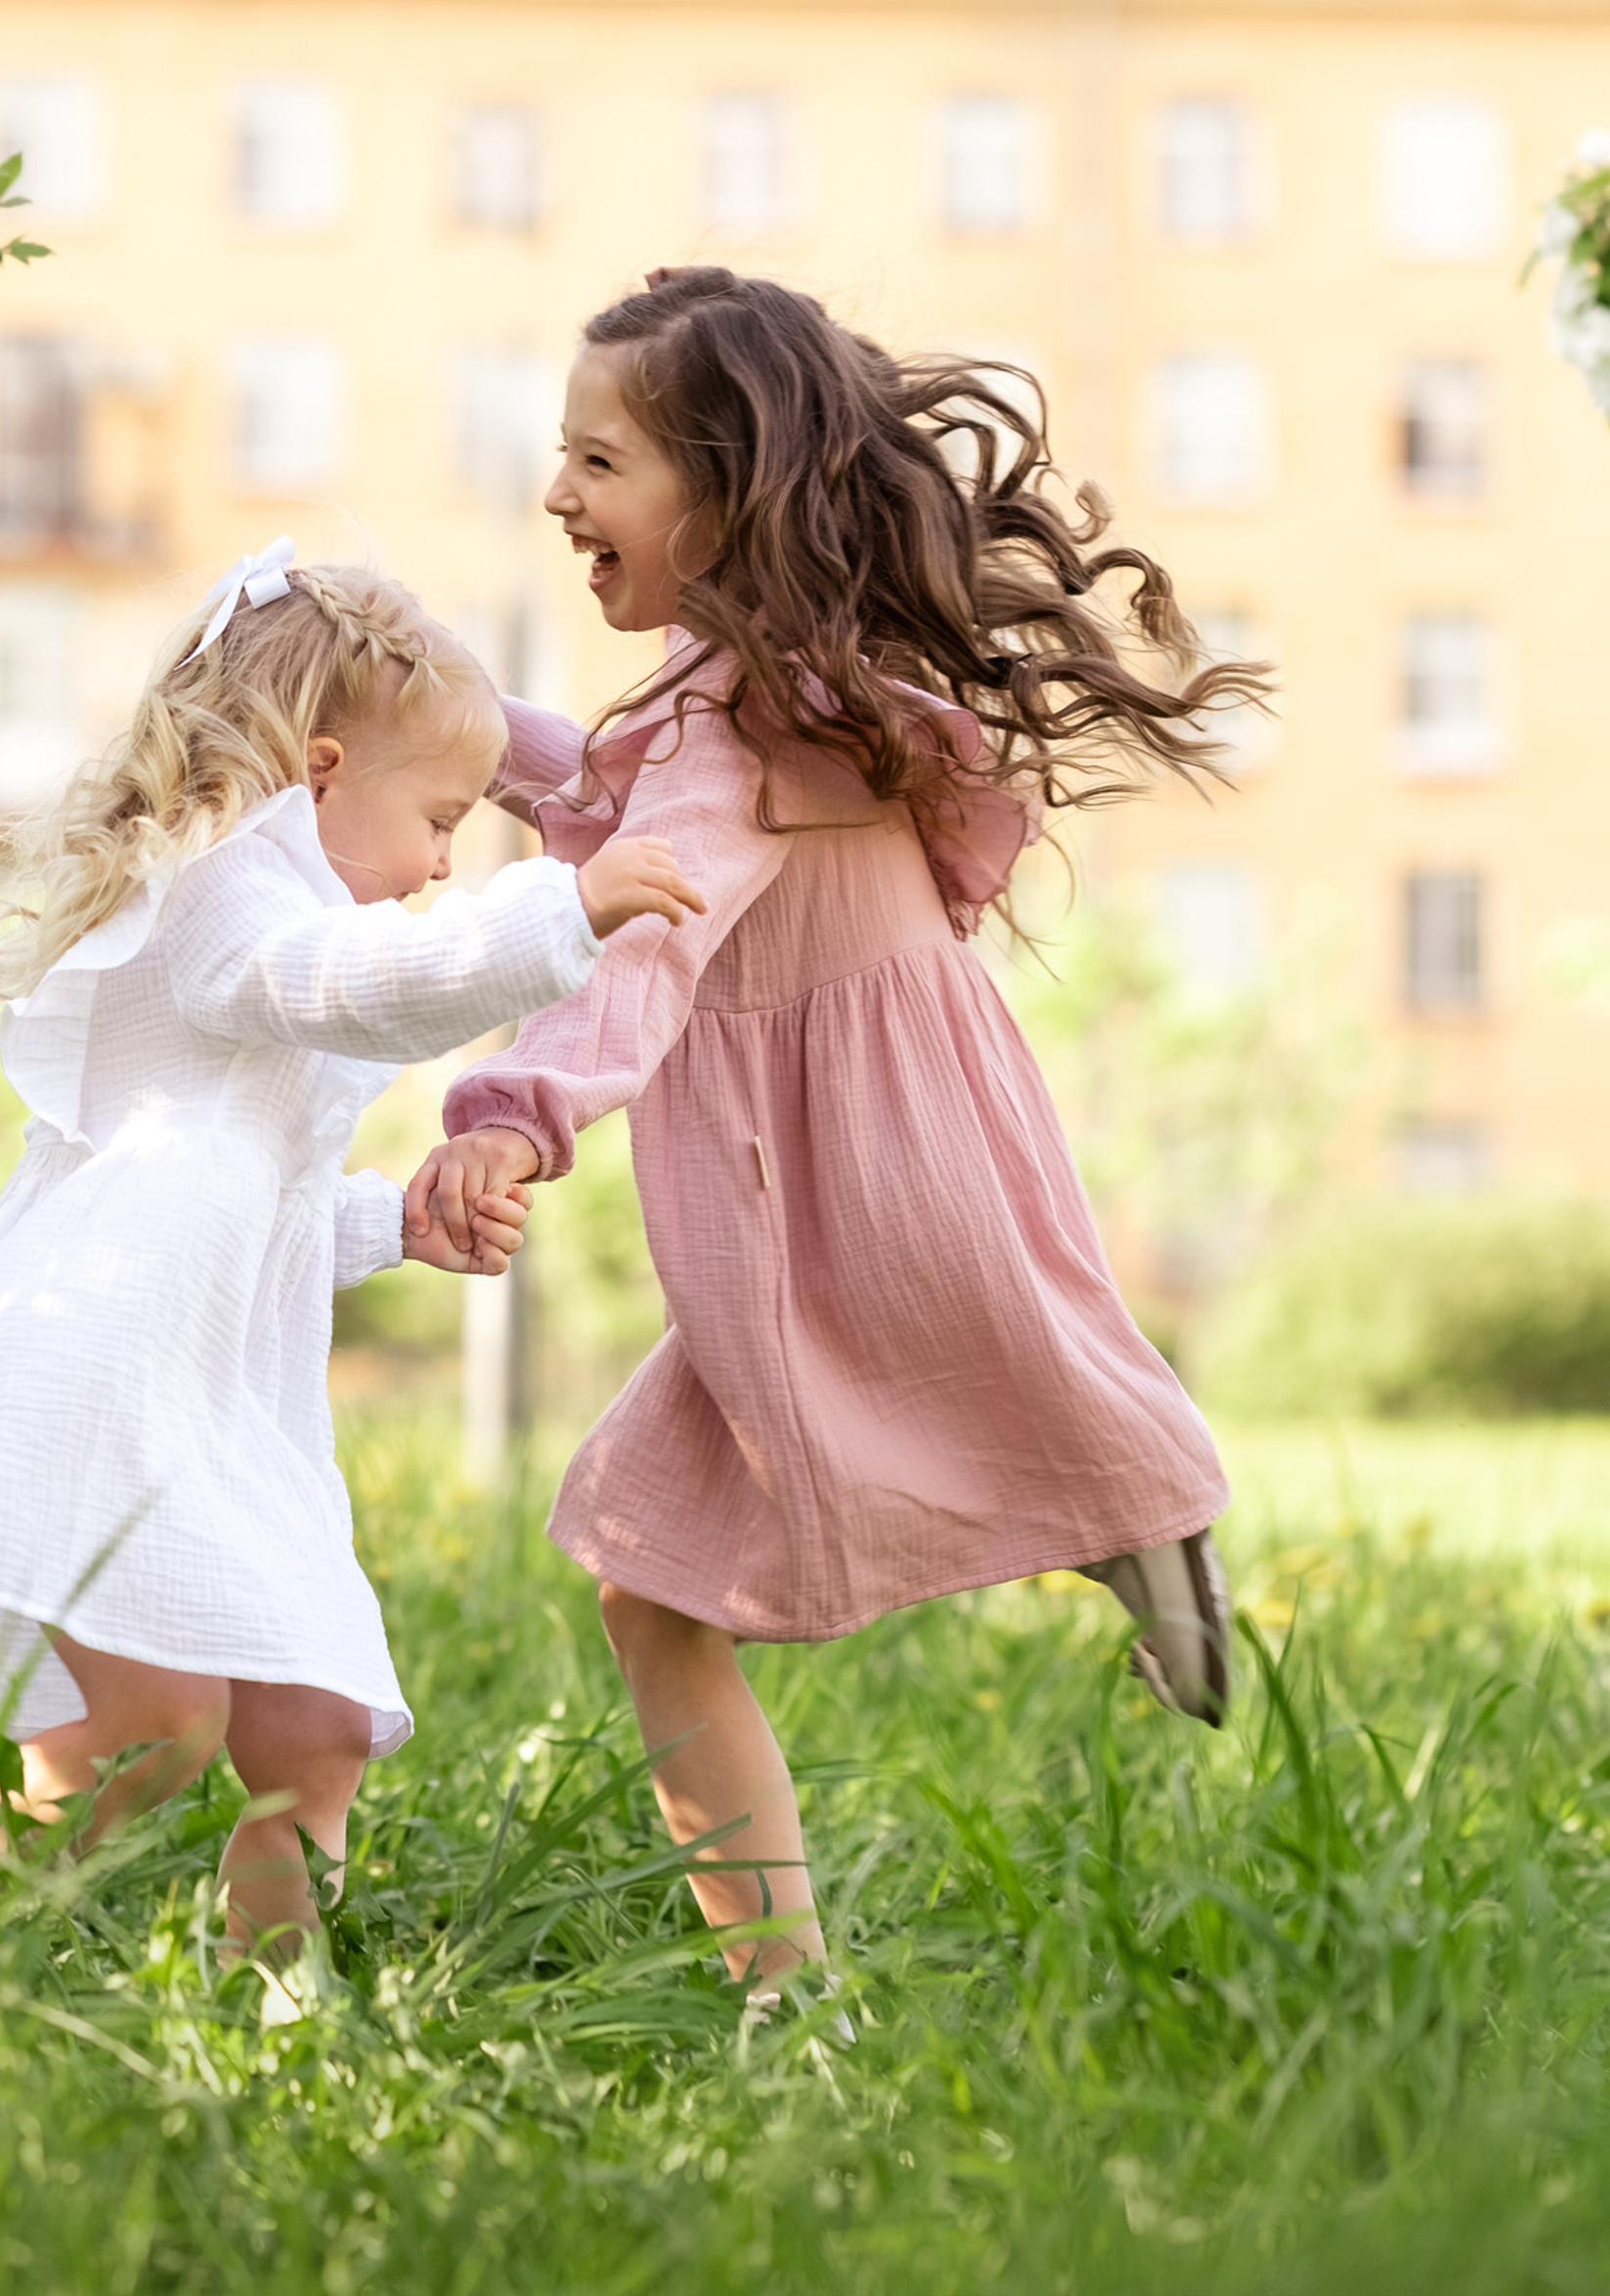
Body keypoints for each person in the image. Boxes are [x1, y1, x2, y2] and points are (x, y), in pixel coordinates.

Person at [406, 269, 1264, 2012]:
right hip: (912, 1146)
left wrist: (514, 1111)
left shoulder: (728, 723)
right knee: (656, 1584)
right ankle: (792, 1984)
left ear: (724, 499)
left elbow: (650, 928)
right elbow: (628, 794)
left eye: (599, 461)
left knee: (661, 1574)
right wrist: (474, 734)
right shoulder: (789, 692)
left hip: (830, 1182)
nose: (557, 494)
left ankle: (1139, 1513)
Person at [0, 542, 702, 1968]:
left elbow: (240, 1212)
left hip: (208, 1400)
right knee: (151, 1724)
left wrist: (393, 1224)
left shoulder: (263, 924)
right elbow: (345, 986)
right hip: (90, 1376)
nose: (444, 863)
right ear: (319, 774)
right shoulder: (224, 901)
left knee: (314, 1727)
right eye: (439, 820)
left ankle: (275, 2004)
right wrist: (558, 912)